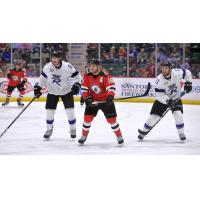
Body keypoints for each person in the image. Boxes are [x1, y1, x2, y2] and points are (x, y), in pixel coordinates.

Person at [138, 61, 192, 141]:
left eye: (166, 68)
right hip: (162, 101)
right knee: (153, 117)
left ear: (170, 69)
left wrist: (189, 83)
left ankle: (181, 134)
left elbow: (187, 73)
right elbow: (159, 95)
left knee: (178, 115)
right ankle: (143, 132)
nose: (163, 70)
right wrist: (167, 101)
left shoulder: (176, 73)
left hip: (175, 98)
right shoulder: (159, 80)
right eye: (162, 68)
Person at [34, 51, 81, 139]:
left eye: (56, 58)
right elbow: (42, 80)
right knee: (49, 113)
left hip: (66, 92)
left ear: (60, 59)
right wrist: (38, 88)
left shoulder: (67, 66)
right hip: (52, 92)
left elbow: (77, 76)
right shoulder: (47, 67)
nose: (54, 60)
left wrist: (77, 84)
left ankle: (73, 129)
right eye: (53, 58)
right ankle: (49, 129)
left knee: (70, 112)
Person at [78, 59, 124, 144]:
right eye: (90, 66)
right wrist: (87, 98)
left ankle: (119, 136)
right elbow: (84, 89)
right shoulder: (87, 75)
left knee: (112, 120)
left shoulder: (105, 75)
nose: (91, 68)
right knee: (87, 119)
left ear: (98, 67)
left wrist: (110, 97)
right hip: (93, 100)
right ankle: (84, 136)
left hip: (105, 101)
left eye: (93, 66)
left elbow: (111, 87)